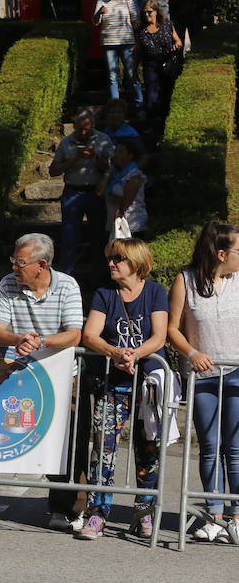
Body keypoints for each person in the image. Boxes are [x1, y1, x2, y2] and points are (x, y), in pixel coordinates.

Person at [0, 233, 85, 533]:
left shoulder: (67, 285)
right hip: (23, 373)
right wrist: (18, 338)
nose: (14, 267)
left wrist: (41, 341)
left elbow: (74, 334)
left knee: (70, 442)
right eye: (13, 261)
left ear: (41, 265)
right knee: (35, 437)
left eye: (20, 262)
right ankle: (58, 506)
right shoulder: (7, 283)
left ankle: (74, 506)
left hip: (64, 374)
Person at [77, 238, 168, 540]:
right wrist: (115, 352)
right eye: (110, 258)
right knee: (104, 449)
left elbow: (159, 337)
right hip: (112, 384)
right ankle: (97, 514)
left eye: (118, 258)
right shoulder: (105, 294)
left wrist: (134, 354)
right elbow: (90, 336)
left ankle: (144, 514)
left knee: (148, 452)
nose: (111, 263)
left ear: (136, 262)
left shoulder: (155, 291)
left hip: (147, 386)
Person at [167, 221, 239, 543]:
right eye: (238, 250)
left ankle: (236, 516)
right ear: (221, 254)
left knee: (235, 450)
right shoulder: (185, 281)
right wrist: (192, 352)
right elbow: (172, 328)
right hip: (202, 376)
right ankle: (214, 515)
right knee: (209, 448)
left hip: (236, 373)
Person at [49, 109, 114, 282]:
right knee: (69, 236)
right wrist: (73, 160)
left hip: (96, 192)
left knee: (98, 236)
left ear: (93, 125)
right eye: (80, 129)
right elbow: (52, 171)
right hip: (73, 191)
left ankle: (98, 278)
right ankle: (65, 278)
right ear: (75, 127)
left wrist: (95, 158)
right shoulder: (66, 142)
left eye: (88, 128)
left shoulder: (103, 140)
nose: (84, 132)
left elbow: (112, 168)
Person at [92, 0, 143, 107]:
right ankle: (116, 104)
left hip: (126, 42)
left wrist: (138, 41)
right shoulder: (101, 2)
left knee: (131, 73)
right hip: (108, 44)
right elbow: (95, 22)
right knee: (112, 75)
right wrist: (99, 12)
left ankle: (139, 102)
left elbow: (136, 22)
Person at [136, 0, 183, 122]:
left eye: (150, 12)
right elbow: (138, 51)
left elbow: (178, 40)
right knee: (152, 97)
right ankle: (151, 124)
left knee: (167, 96)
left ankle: (165, 124)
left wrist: (176, 45)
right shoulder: (141, 30)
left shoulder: (166, 24)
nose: (147, 15)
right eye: (144, 12)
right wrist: (133, 70)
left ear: (156, 12)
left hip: (168, 66)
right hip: (151, 67)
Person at [96, 138, 148, 238]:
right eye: (115, 151)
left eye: (120, 152)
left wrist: (110, 198)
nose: (116, 155)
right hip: (115, 223)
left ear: (130, 155)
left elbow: (126, 202)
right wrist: (109, 170)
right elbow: (99, 191)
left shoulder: (134, 175)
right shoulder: (116, 174)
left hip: (131, 225)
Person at [101, 98, 147, 168]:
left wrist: (131, 171)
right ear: (107, 115)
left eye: (119, 112)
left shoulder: (131, 134)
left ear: (124, 116)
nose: (115, 115)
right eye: (112, 112)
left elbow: (144, 157)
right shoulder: (104, 133)